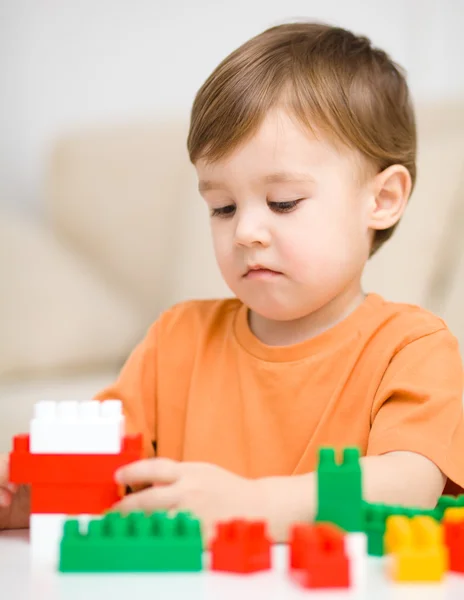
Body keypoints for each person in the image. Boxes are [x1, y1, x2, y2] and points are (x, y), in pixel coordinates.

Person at [1, 22, 463, 542]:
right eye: (222, 207)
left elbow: (407, 487)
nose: (244, 231)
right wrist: (35, 495)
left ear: (382, 200)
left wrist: (249, 504)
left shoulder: (413, 349)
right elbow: (108, 476)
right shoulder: (174, 342)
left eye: (283, 202)